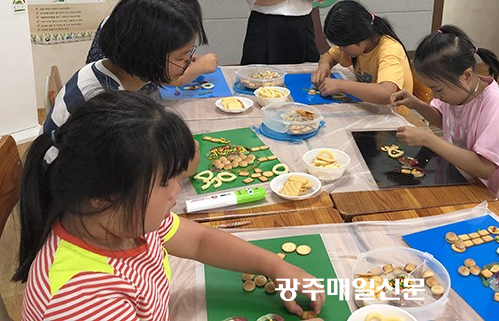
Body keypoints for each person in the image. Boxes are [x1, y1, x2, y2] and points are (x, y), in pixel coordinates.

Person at [15, 91, 325, 320]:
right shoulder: (81, 302)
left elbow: (199, 240)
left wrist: (275, 266)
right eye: (165, 182)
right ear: (105, 194)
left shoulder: (123, 219)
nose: (177, 191)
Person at [44, 0, 201, 134]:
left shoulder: (98, 69)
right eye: (181, 57)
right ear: (147, 56)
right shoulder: (109, 109)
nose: (188, 61)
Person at [389, 25, 499, 197]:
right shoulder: (457, 92)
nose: (435, 95)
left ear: (466, 76)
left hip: (476, 192)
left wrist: (428, 140)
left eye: (437, 89)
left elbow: (485, 168)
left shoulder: (492, 103)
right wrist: (416, 104)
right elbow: (444, 121)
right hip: (450, 175)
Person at [86, 0, 218, 88]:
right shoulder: (116, 89)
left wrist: (179, 57)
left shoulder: (128, 21)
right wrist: (203, 66)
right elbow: (168, 78)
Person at [311, 0, 413, 105]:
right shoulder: (355, 44)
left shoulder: (390, 50)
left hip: (393, 111)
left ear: (360, 37)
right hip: (370, 105)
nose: (340, 49)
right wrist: (324, 67)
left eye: (344, 45)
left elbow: (387, 94)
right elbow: (329, 56)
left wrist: (341, 85)